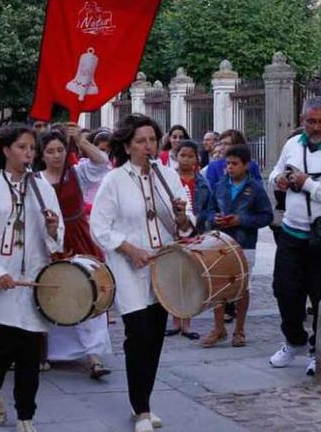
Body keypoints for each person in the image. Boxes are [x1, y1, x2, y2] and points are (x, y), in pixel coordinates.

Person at [90, 114, 194, 432]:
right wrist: (129, 249)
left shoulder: (167, 174)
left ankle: (144, 402)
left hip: (162, 265)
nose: (148, 146)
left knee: (155, 337)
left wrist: (182, 216)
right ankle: (142, 409)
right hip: (128, 267)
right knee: (138, 335)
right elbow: (99, 227)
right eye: (141, 141)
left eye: (152, 140)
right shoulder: (115, 180)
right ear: (127, 145)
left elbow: (188, 218)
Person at [0, 125, 64, 432]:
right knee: (2, 347)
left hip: (33, 280)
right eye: (22, 147)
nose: (28, 154)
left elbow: (56, 237)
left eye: (32, 149)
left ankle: (25, 416)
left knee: (30, 350)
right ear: (6, 151)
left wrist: (52, 229)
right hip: (1, 281)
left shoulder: (42, 187)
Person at [267, 97, 321, 376]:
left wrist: (310, 186)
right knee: (284, 289)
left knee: (320, 293)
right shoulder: (293, 144)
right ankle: (294, 340)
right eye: (310, 121)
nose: (315, 127)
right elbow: (274, 173)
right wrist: (279, 180)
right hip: (292, 231)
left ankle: (319, 350)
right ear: (302, 120)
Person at [35, 124, 112, 379]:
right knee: (50, 293)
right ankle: (46, 350)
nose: (56, 155)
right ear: (42, 155)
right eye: (50, 151)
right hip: (47, 240)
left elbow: (102, 163)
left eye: (59, 150)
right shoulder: (35, 181)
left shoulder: (77, 172)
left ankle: (93, 355)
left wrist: (80, 139)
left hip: (78, 237)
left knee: (87, 291)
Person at [202, 144, 273, 348]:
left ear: (246, 165)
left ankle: (239, 330)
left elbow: (266, 216)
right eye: (228, 164)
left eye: (234, 164)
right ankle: (219, 328)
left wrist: (241, 220)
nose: (230, 168)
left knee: (242, 286)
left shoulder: (255, 189)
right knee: (217, 285)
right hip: (221, 241)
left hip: (244, 243)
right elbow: (208, 210)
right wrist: (214, 218)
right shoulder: (221, 185)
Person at [165, 140, 214, 340]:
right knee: (174, 279)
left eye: (190, 156)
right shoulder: (168, 180)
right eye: (182, 155)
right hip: (172, 235)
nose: (186, 159)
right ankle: (175, 320)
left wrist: (199, 222)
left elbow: (209, 209)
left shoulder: (202, 183)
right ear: (176, 157)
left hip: (195, 235)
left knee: (192, 279)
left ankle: (187, 323)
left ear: (197, 159)